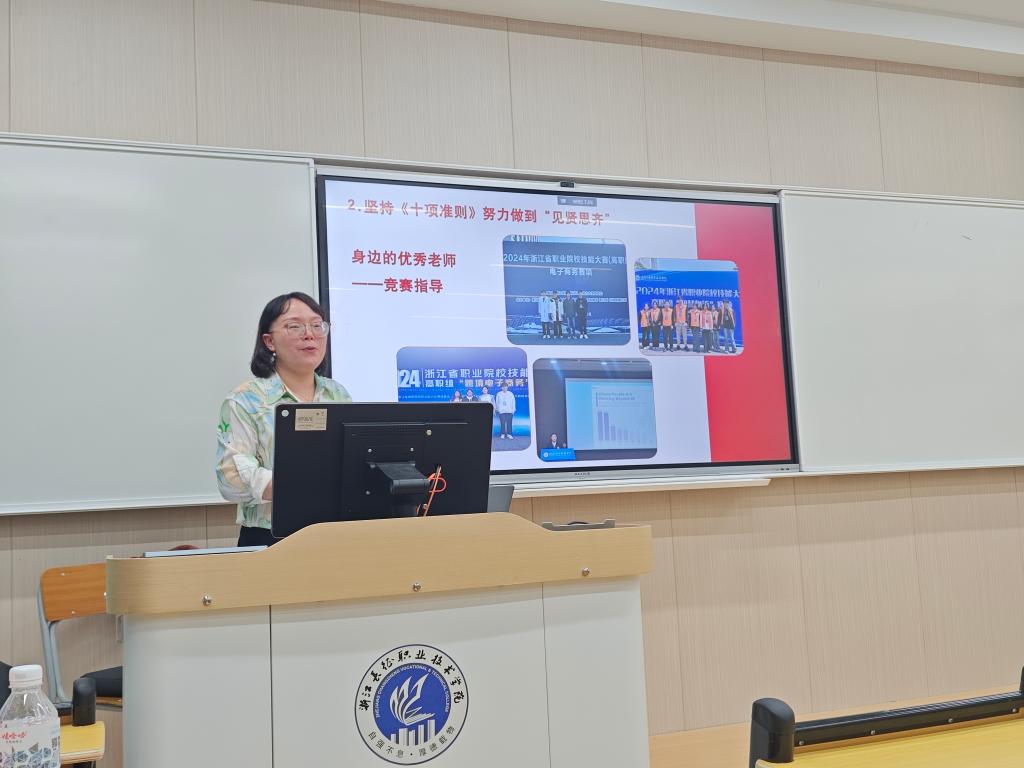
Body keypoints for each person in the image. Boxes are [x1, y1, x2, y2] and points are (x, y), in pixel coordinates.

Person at [216, 292, 351, 548]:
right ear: (269, 341)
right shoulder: (246, 399)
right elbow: (230, 478)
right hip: (270, 538)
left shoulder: (338, 394)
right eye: (294, 326)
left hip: (332, 533)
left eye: (317, 325)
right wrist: (299, 484)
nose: (309, 334)